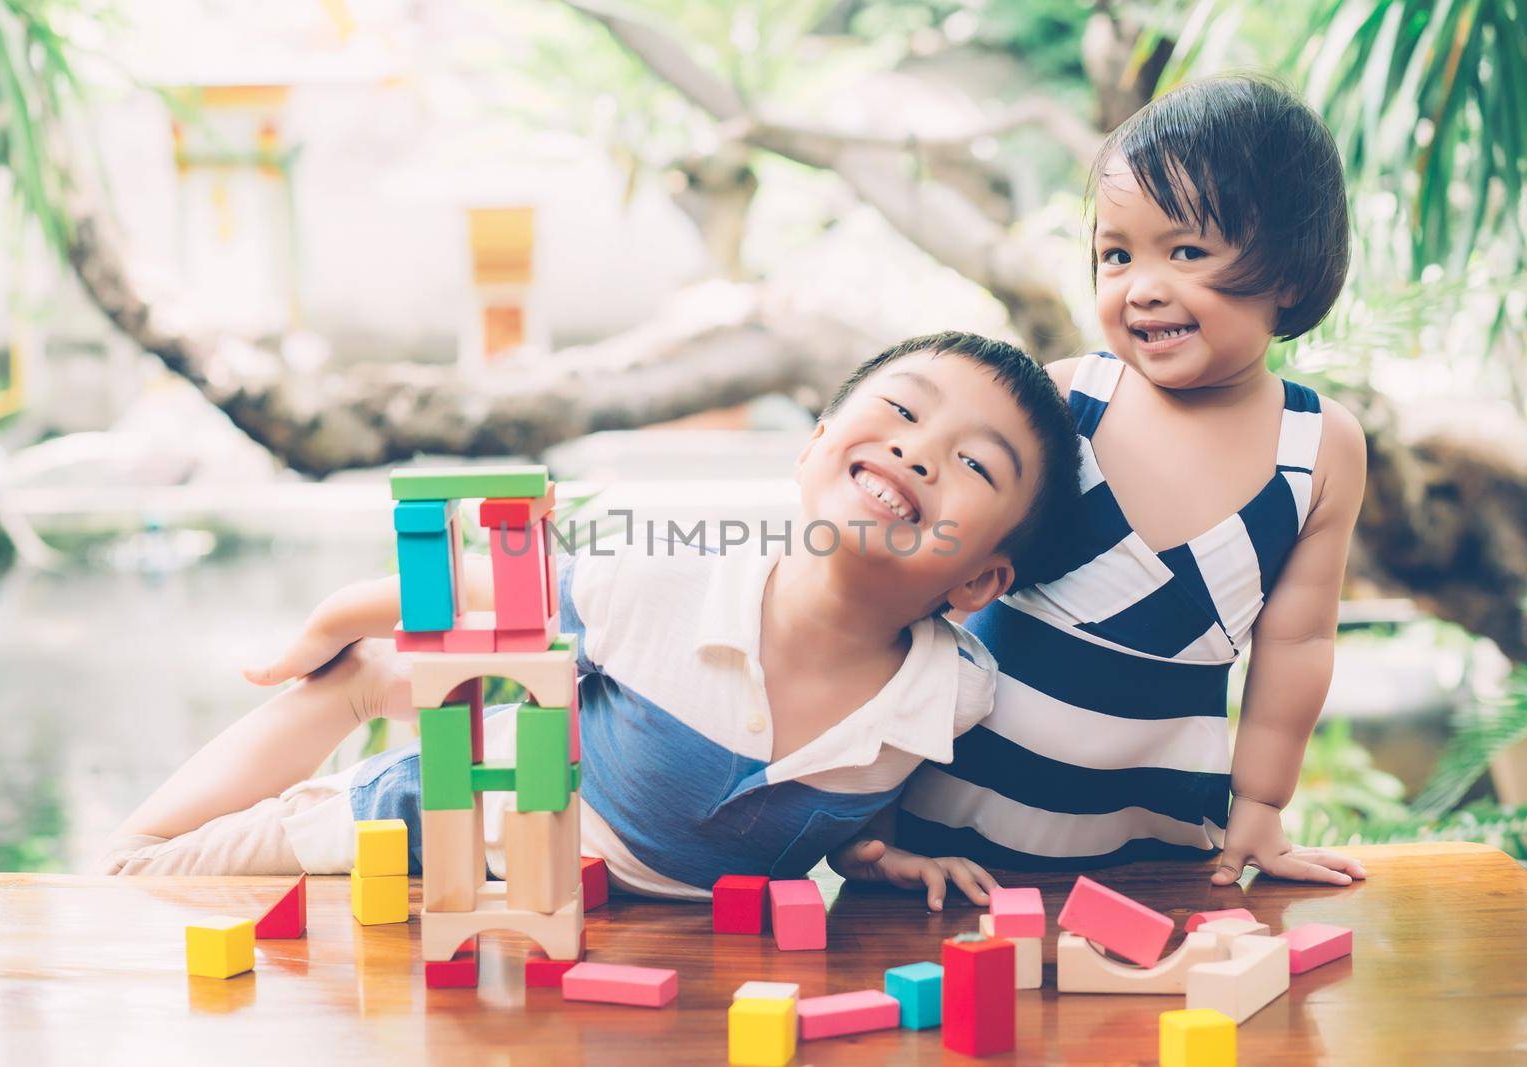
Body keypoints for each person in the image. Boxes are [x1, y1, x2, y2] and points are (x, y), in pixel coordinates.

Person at [101, 331, 1081, 910]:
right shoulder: (658, 578)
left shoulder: (947, 696)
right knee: (131, 873)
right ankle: (368, 683)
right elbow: (480, 581)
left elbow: (832, 810)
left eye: (973, 465)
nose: (917, 453)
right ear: (816, 445)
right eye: (900, 414)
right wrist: (336, 625)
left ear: (980, 583)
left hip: (592, 938)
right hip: (431, 828)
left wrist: (877, 853)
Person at [890, 77, 1370, 888]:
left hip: (1155, 844)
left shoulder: (1320, 446)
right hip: (950, 823)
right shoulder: (1065, 397)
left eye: (1186, 252)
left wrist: (1259, 805)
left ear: (1288, 270)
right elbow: (925, 575)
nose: (1141, 286)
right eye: (1117, 254)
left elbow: (1297, 643)